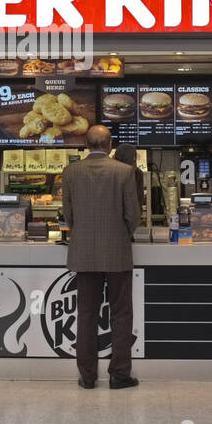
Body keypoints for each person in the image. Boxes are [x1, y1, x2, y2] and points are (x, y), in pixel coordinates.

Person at [61, 125, 141, 389]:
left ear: (86, 145)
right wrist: (120, 234)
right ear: (110, 145)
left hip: (83, 251)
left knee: (86, 313)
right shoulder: (125, 171)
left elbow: (68, 215)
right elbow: (133, 215)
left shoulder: (71, 172)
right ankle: (119, 375)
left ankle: (87, 376)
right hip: (117, 251)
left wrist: (81, 233)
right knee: (121, 312)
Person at [112, 143, 145, 211]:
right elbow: (138, 201)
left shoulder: (110, 172)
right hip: (131, 215)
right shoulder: (137, 173)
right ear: (134, 158)